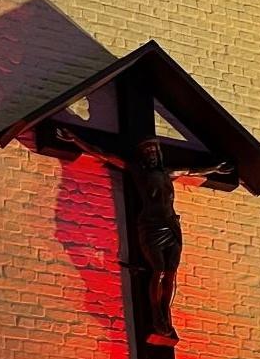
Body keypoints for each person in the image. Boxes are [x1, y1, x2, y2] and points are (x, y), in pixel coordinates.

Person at [57, 128, 233, 346]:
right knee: (158, 269)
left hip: (171, 225)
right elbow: (103, 154)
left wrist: (216, 167)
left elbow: (193, 171)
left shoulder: (169, 171)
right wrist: (76, 139)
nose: (152, 154)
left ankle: (165, 312)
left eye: (154, 150)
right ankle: (155, 313)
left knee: (171, 272)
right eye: (148, 151)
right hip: (151, 225)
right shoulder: (137, 171)